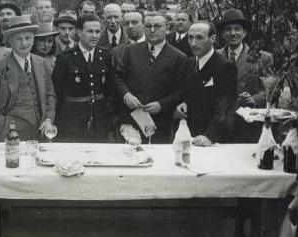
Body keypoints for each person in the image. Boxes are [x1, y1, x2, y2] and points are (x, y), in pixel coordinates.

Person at [0, 15, 55, 141]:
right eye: (19, 39)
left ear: (33, 39)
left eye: (28, 38)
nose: (24, 43)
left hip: (40, 132)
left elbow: (50, 95)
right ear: (10, 41)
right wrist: (3, 126)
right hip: (11, 134)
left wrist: (48, 118)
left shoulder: (41, 63)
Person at [114, 13, 187, 143]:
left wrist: (162, 104)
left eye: (157, 26)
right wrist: (127, 95)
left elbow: (180, 90)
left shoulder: (178, 57)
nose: (152, 30)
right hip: (131, 118)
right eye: (148, 26)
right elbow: (118, 77)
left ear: (167, 28)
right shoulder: (130, 51)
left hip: (161, 121)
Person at [52, 15, 115, 142]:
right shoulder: (65, 58)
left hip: (99, 117)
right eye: (90, 31)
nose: (95, 36)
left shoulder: (105, 56)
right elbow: (58, 91)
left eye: (98, 31)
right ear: (79, 33)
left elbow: (109, 88)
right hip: (73, 118)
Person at [174, 22, 238, 146]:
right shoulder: (188, 63)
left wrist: (210, 136)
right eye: (190, 37)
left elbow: (226, 105)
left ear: (212, 39)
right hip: (189, 134)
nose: (193, 43)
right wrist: (182, 104)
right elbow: (183, 92)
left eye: (199, 37)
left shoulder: (225, 66)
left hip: (214, 138)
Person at [216, 9, 273, 143]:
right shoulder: (215, 57)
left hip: (249, 125)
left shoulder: (262, 57)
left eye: (237, 29)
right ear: (223, 34)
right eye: (228, 29)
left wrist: (254, 99)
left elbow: (272, 91)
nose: (233, 33)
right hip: (220, 125)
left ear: (245, 32)